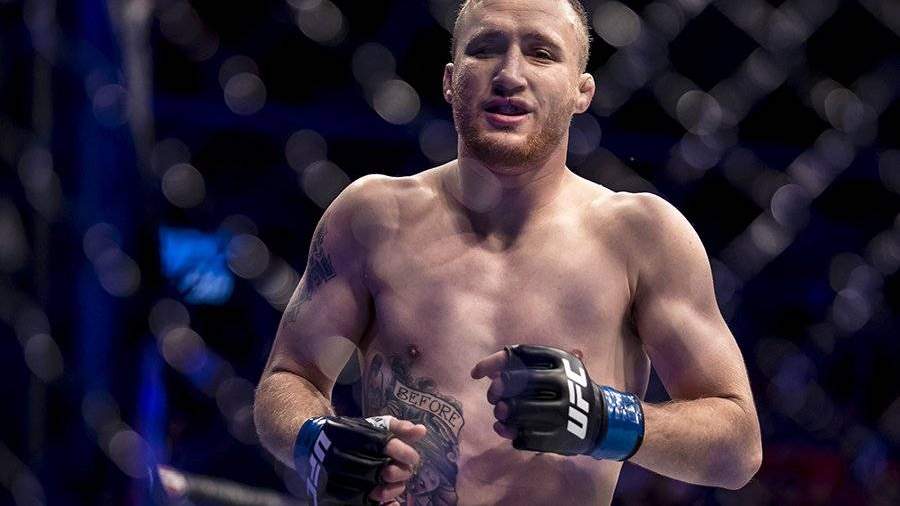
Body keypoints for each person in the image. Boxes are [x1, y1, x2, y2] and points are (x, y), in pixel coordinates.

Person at [253, 0, 763, 504]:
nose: (509, 74)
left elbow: (739, 449)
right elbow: (289, 376)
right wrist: (314, 438)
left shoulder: (641, 236)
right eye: (485, 49)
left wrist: (605, 418)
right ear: (450, 79)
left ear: (582, 90)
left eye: (541, 53)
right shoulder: (371, 217)